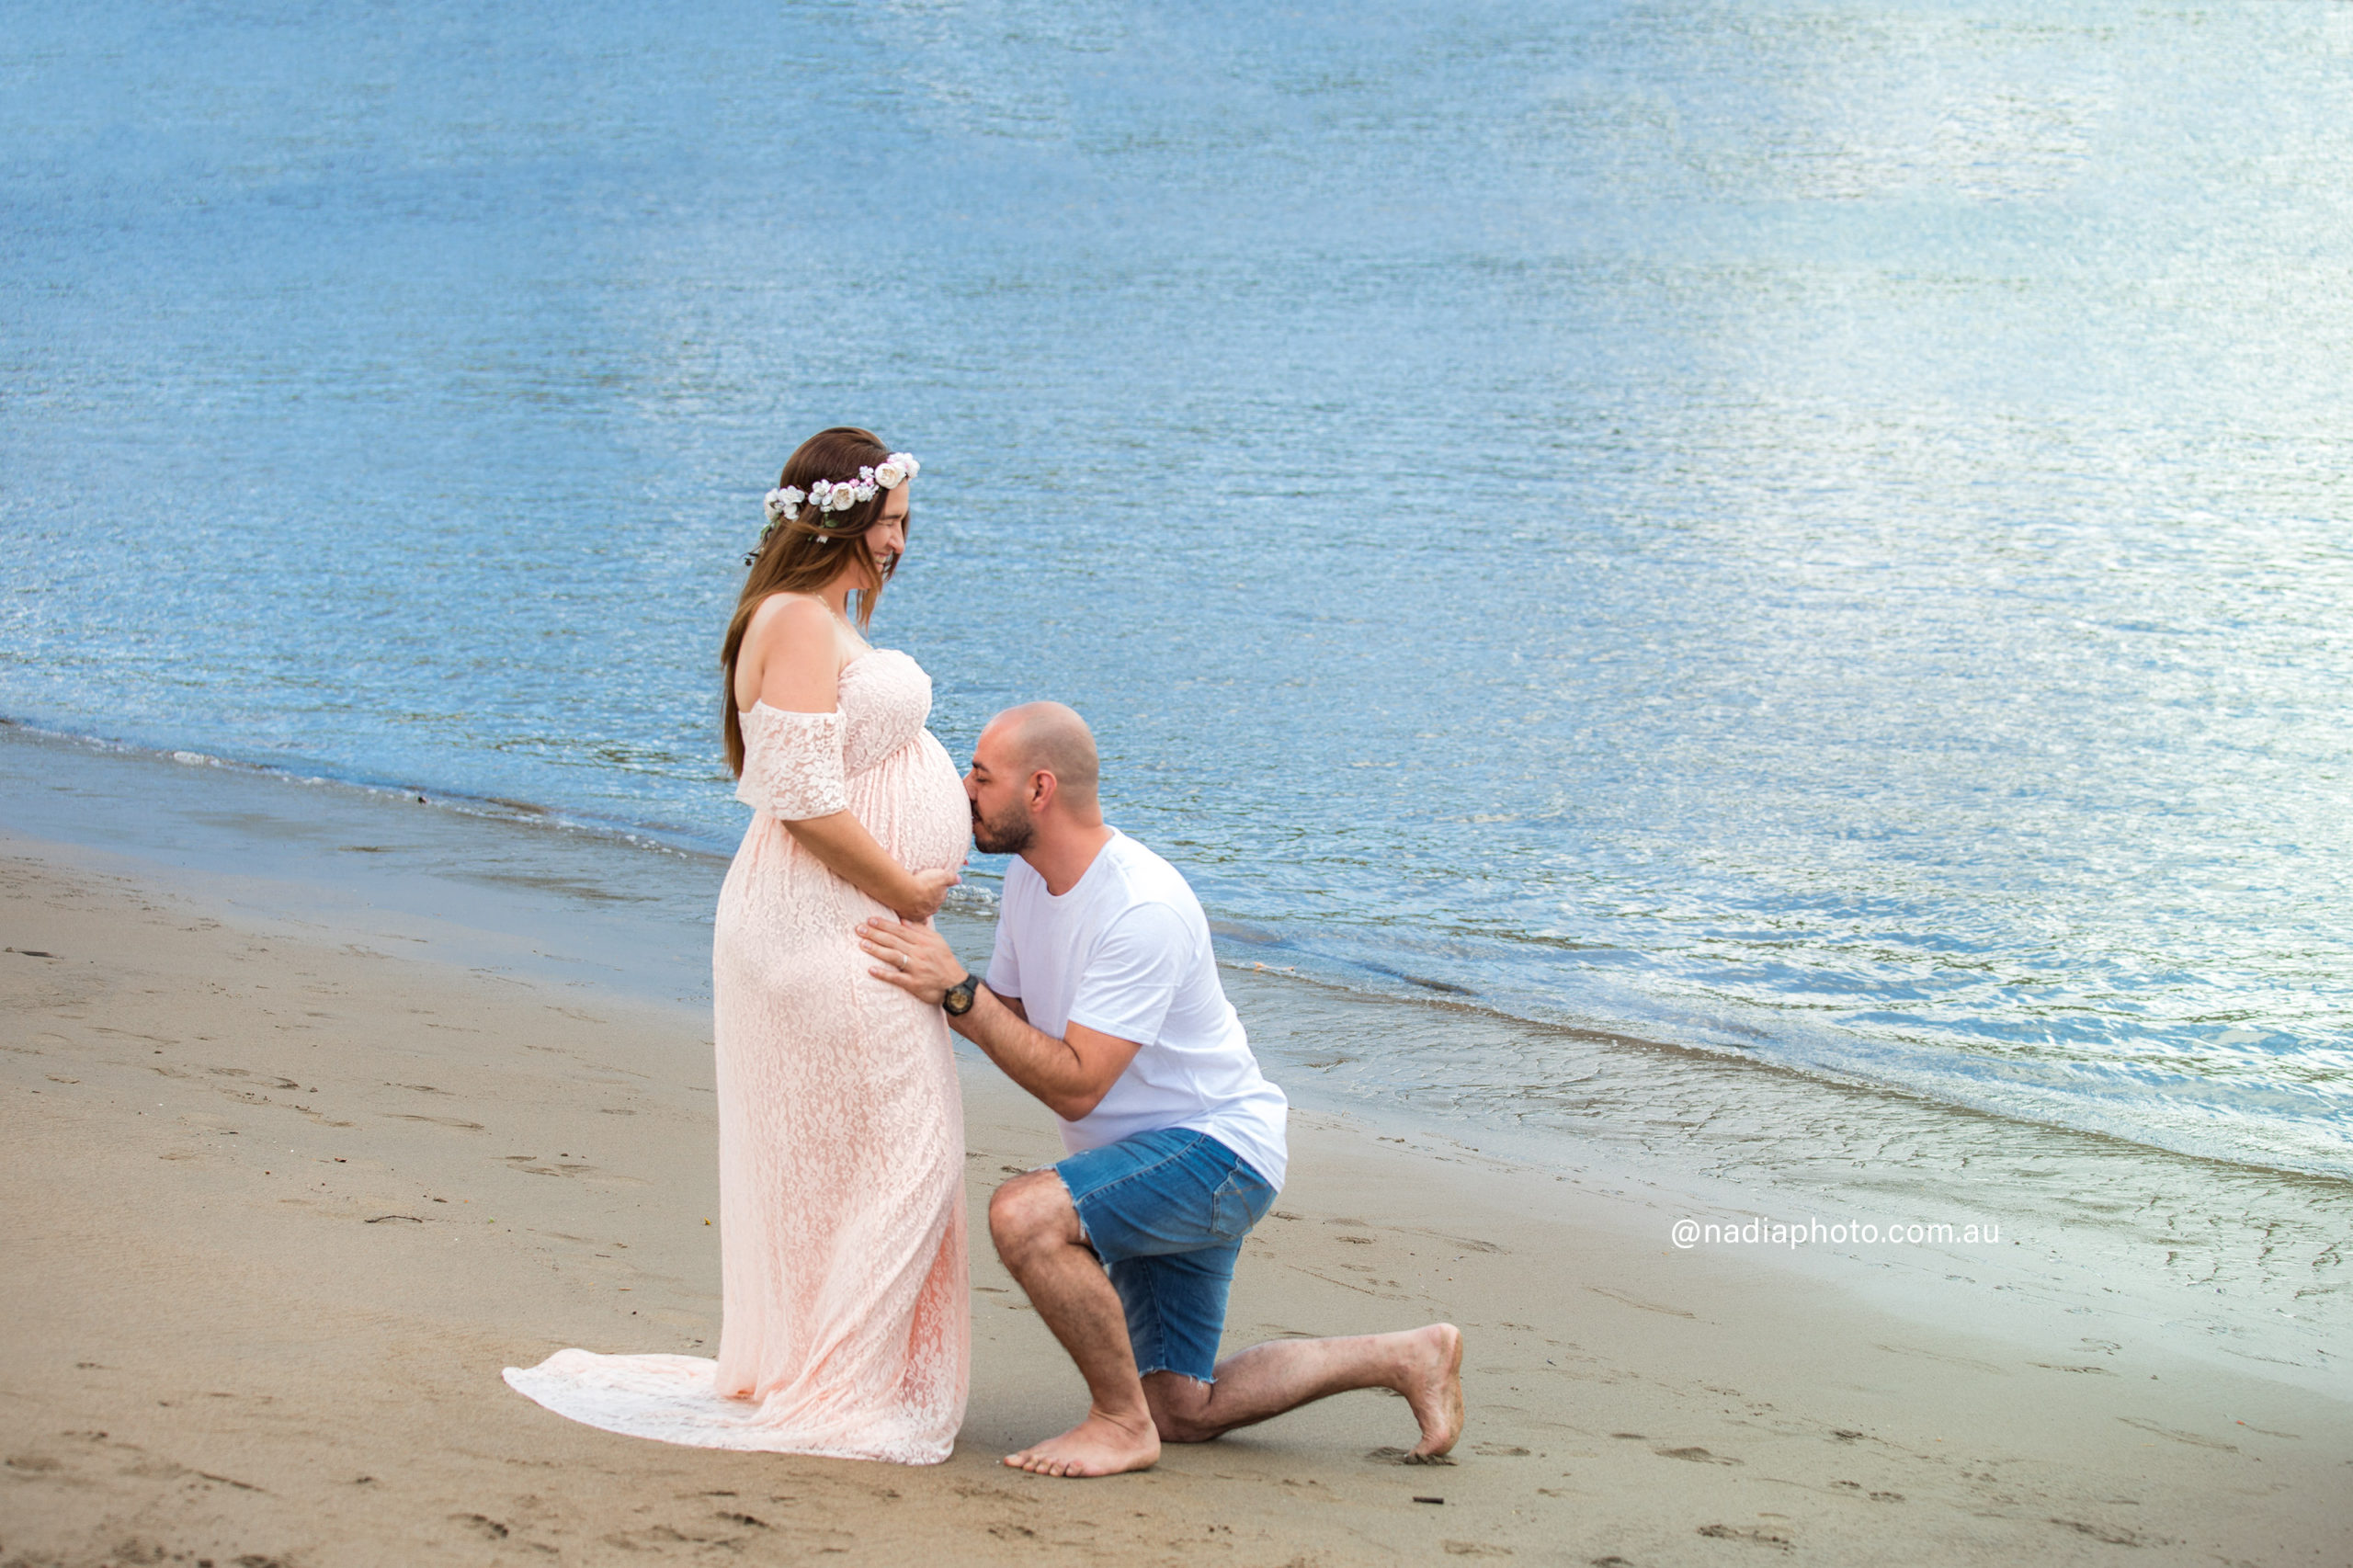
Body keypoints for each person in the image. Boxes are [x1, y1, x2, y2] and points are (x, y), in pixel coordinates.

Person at [506, 427, 972, 1464]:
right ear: (847, 519)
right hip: (821, 923)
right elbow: (799, 796)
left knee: (868, 1159)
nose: (902, 542)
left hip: (832, 917)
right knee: (908, 1154)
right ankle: (840, 1382)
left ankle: (843, 1364)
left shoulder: (813, 620)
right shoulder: (798, 620)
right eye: (893, 521)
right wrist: (903, 888)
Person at [858, 702, 1464, 1478]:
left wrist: (957, 993)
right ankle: (1409, 1356)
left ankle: (1117, 1424)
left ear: (1039, 789)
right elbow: (1003, 1013)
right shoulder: (1027, 880)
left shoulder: (1141, 906)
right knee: (1182, 1406)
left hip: (1215, 1156)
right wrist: (920, 980)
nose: (961, 786)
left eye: (980, 774)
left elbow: (1076, 1085)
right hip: (1144, 1157)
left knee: (1026, 1216)